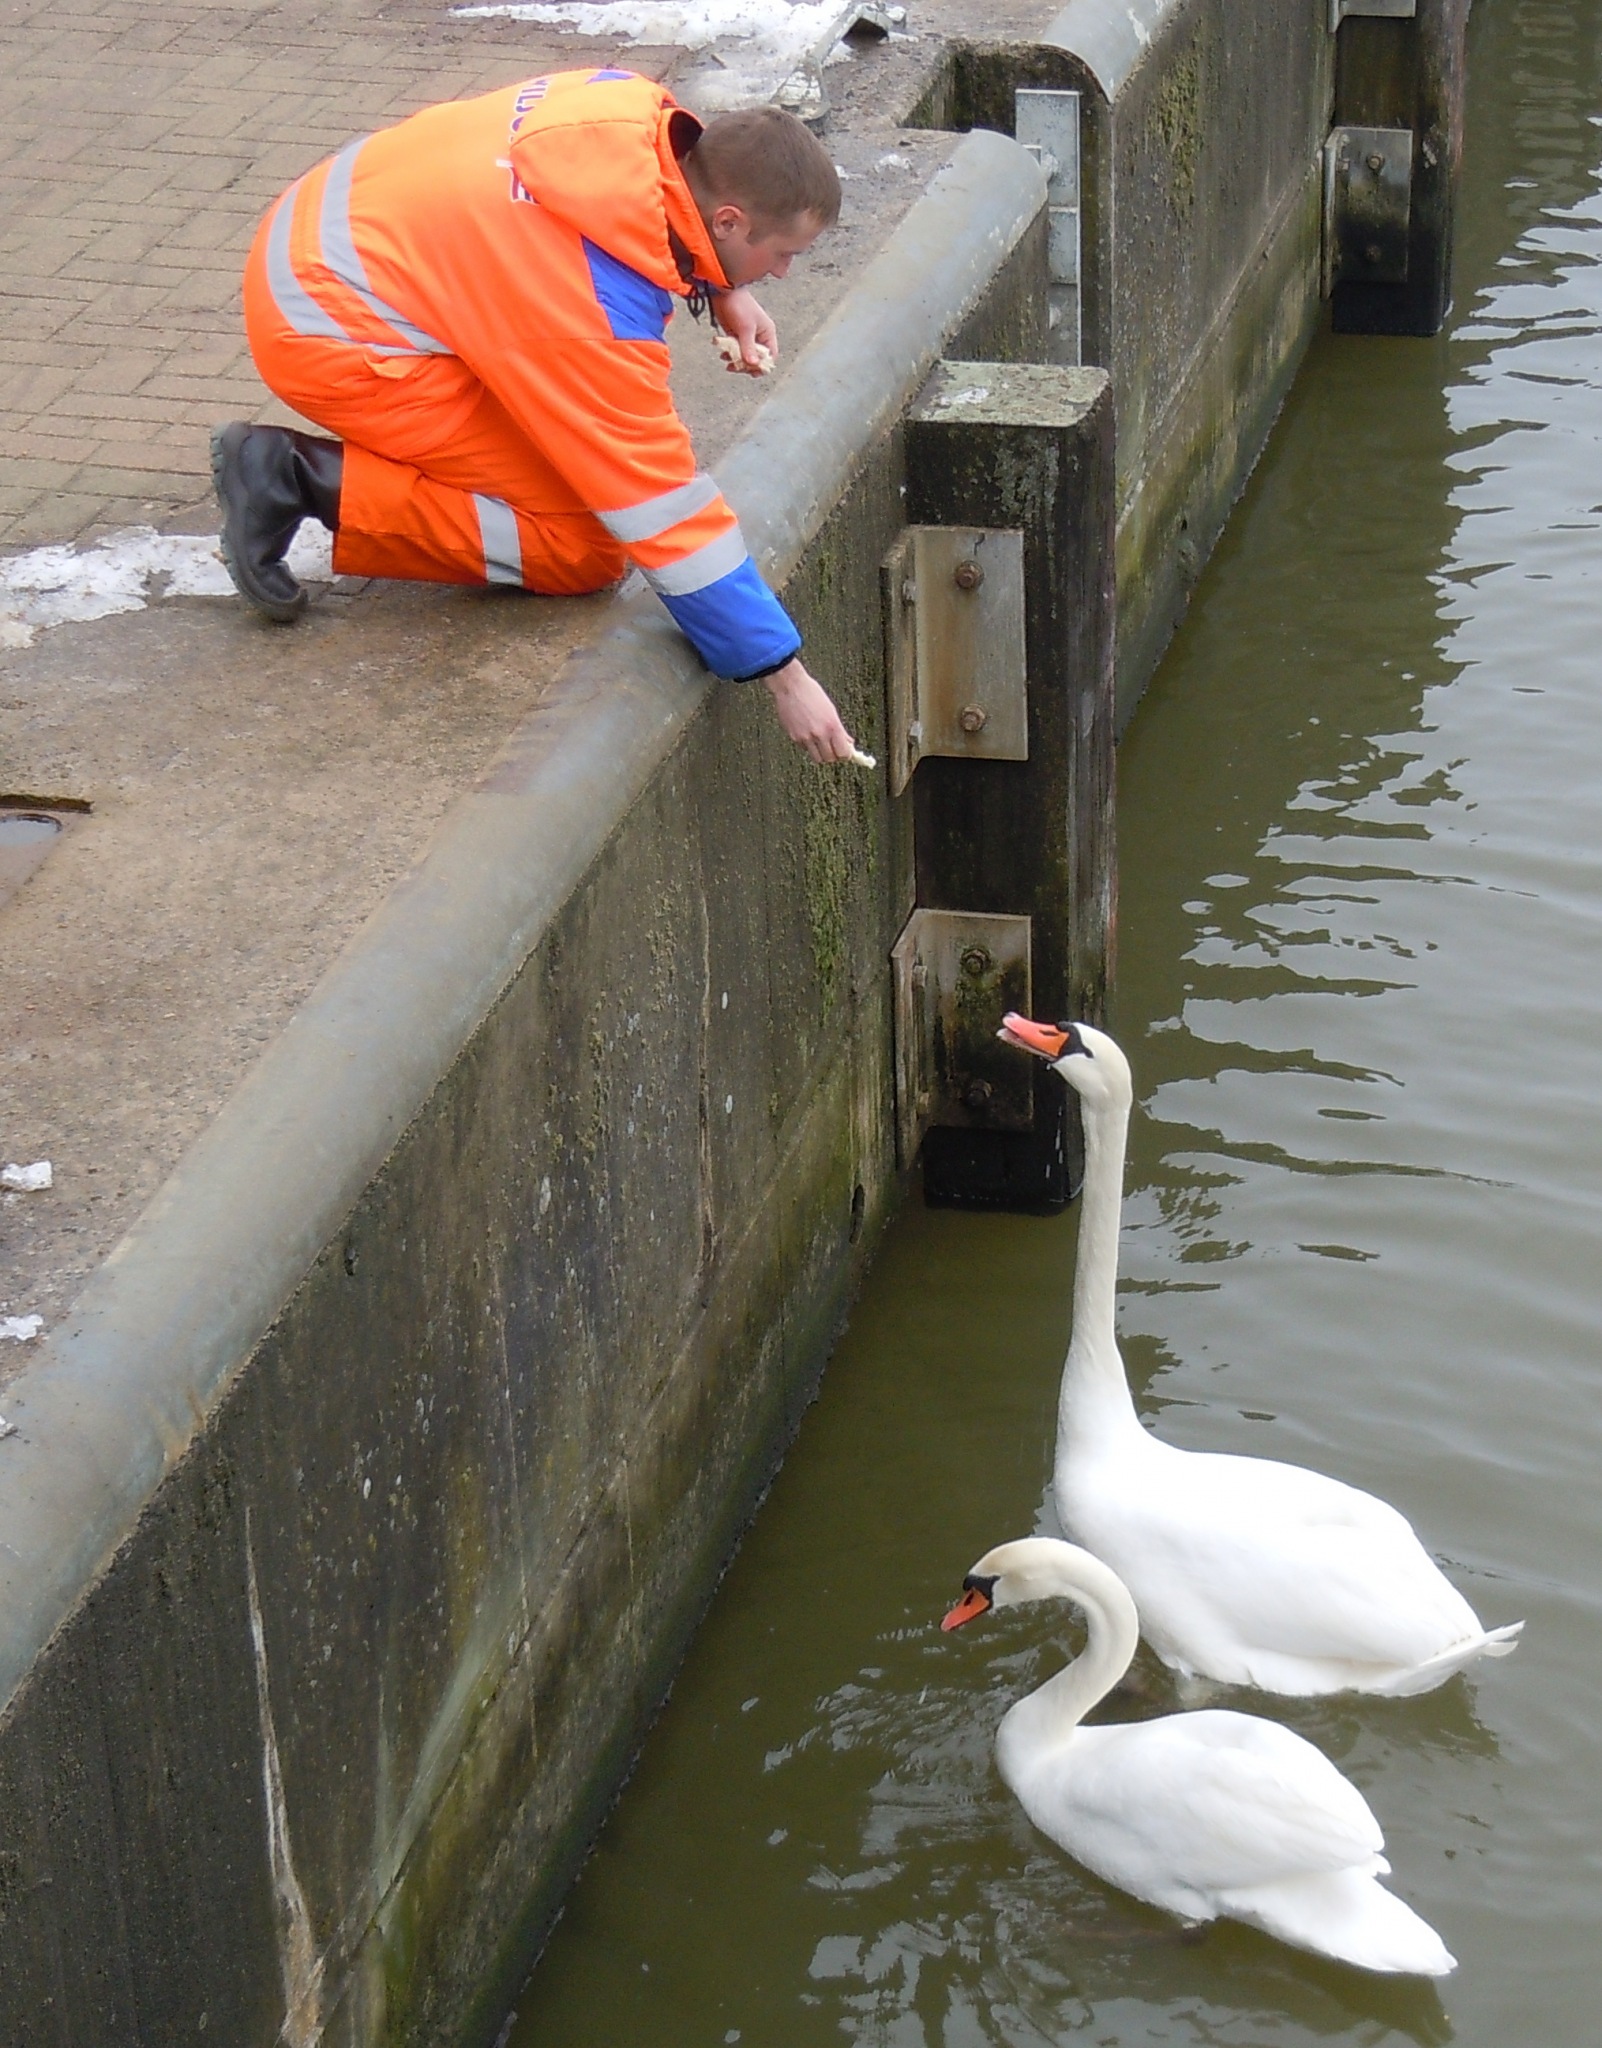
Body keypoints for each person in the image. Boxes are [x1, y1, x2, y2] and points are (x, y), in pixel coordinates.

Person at [212, 68, 860, 764]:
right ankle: (296, 478)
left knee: (559, 450)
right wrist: (782, 673)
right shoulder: (588, 314)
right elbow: (659, 505)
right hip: (330, 332)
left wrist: (717, 280)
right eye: (783, 253)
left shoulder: (631, 105)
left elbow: (667, 219)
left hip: (331, 226)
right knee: (582, 543)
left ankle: (306, 473)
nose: (785, 273)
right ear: (728, 222)